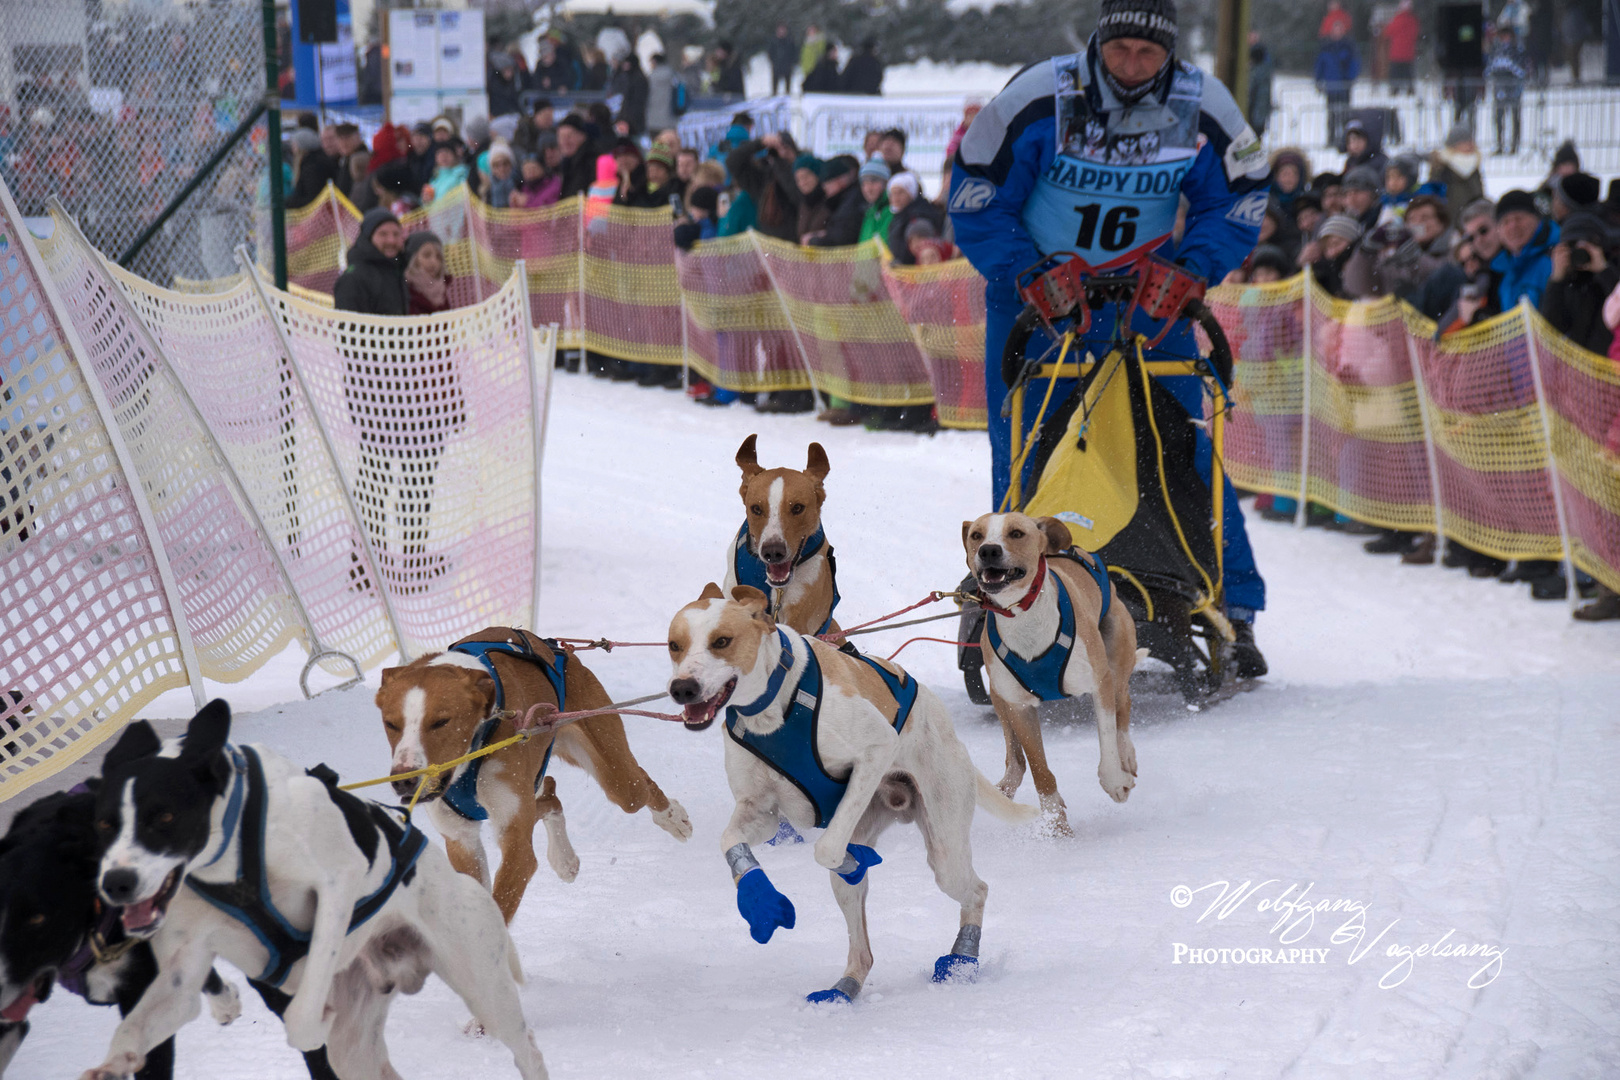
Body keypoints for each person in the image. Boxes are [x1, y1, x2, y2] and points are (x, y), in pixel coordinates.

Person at [950, 0, 1272, 673]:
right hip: (1040, 300)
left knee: (1180, 440)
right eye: (1120, 50)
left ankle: (1230, 602)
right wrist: (1028, 272)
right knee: (1026, 444)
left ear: (1171, 53)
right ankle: (1004, 592)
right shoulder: (1039, 98)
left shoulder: (1204, 104)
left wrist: (1189, 271)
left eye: (1148, 54)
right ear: (1097, 43)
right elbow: (977, 194)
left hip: (1147, 303)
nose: (1132, 66)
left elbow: (1241, 197)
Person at [1542, 212, 1618, 354]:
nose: (1579, 253)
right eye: (1572, 246)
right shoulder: (1568, 285)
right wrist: (1557, 279)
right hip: (1579, 371)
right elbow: (1551, 327)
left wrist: (1603, 270)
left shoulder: (1613, 276)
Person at [1492, 189, 1559, 310]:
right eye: (1506, 222)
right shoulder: (1506, 274)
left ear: (1537, 220)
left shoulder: (1554, 258)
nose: (1513, 226)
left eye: (1519, 218)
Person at [334, 208, 408, 316]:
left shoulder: (399, 270)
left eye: (396, 234)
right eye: (383, 234)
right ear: (369, 237)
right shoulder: (354, 277)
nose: (391, 241)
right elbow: (347, 326)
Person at [1428, 124, 1486, 224]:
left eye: (1470, 141)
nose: (1470, 145)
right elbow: (1434, 193)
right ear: (1454, 145)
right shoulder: (1442, 165)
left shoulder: (1473, 163)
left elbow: (1479, 191)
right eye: (1464, 142)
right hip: (1449, 218)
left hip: (1473, 217)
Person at [1315, 22, 1360, 147]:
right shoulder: (1326, 47)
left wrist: (1349, 79)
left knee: (1345, 115)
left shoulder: (1349, 46)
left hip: (1344, 86)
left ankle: (1345, 140)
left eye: (1340, 29)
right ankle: (1331, 138)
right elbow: (1320, 64)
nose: (1337, 32)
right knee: (1332, 115)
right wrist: (1318, 80)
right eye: (1335, 29)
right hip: (1331, 86)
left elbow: (1354, 65)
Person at [1485, 26, 1527, 156]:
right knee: (1498, 116)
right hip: (1499, 87)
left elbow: (1523, 70)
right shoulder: (1495, 50)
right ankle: (1499, 143)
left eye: (1506, 36)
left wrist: (1511, 66)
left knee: (1514, 115)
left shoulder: (1517, 50)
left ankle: (1515, 144)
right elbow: (1488, 69)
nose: (1504, 39)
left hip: (1513, 87)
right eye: (1502, 36)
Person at [886, 172, 945, 263]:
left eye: (900, 192)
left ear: (911, 193)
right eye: (892, 194)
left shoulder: (920, 215)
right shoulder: (898, 216)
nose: (896, 198)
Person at [402, 231, 452, 316]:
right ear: (413, 259)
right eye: (427, 255)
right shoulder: (403, 289)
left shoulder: (441, 289)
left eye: (438, 257)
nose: (434, 262)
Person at [555, 115, 599, 199]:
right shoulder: (566, 164)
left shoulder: (591, 161)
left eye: (569, 136)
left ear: (582, 136)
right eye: (561, 137)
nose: (565, 142)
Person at [1382, 0, 1420, 93]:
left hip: (1396, 53)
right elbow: (1416, 33)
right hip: (1408, 53)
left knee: (1395, 73)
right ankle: (1409, 89)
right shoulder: (1413, 20)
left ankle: (1395, 89)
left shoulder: (1397, 19)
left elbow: (1387, 32)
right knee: (1408, 72)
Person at [611, 53, 650, 136]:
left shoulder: (637, 79)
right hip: (630, 117)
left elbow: (636, 101)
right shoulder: (631, 77)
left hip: (633, 118)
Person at [1247, 32, 1274, 136]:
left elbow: (1261, 96)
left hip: (1255, 116)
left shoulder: (1260, 71)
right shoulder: (1261, 70)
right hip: (1255, 115)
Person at [768, 24, 798, 95]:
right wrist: (774, 62)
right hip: (777, 66)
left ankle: (787, 98)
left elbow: (794, 53)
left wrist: (791, 62)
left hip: (787, 66)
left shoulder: (790, 41)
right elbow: (770, 53)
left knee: (788, 86)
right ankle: (774, 97)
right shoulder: (774, 41)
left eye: (783, 30)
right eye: (780, 30)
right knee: (775, 86)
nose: (781, 32)